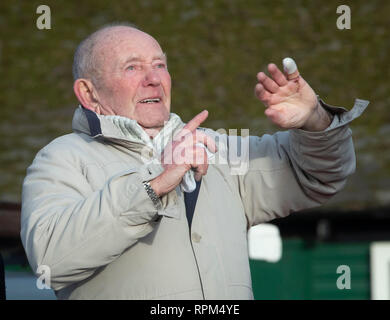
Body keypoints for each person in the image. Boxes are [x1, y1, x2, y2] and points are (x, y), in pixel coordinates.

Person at [20, 23, 368, 299]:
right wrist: (157, 180)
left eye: (160, 65)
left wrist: (315, 121)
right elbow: (51, 259)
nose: (153, 77)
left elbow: (317, 175)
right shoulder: (61, 159)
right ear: (88, 92)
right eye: (132, 67)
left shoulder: (216, 147)